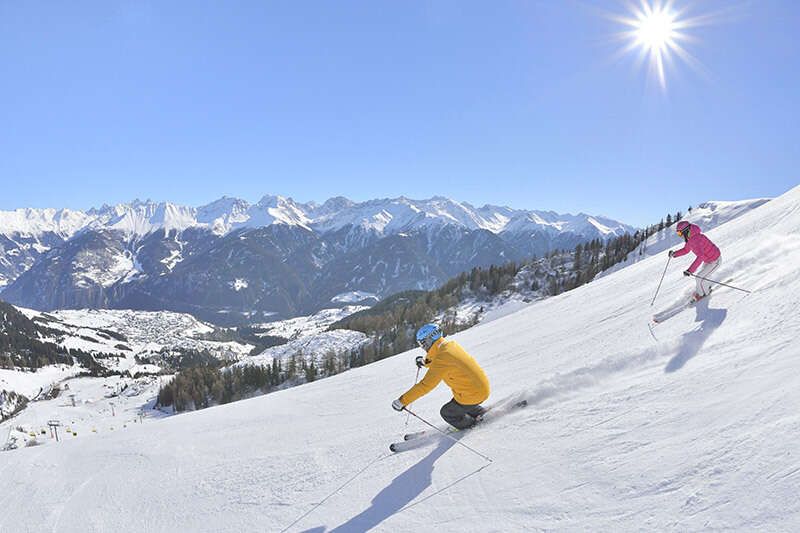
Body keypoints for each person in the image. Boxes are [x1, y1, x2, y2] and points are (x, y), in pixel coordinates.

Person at [391, 323, 490, 430]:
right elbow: (438, 361)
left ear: (429, 340)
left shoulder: (442, 358)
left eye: (423, 343)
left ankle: (470, 426)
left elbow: (425, 385)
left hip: (472, 394)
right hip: (479, 389)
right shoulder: (449, 346)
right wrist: (424, 362)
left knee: (447, 412)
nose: (423, 347)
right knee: (459, 402)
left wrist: (402, 401)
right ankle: (479, 413)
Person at [669, 220, 722, 301]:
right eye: (678, 233)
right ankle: (705, 288)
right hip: (708, 260)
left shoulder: (696, 239)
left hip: (715, 260)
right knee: (702, 277)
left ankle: (703, 294)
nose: (680, 236)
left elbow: (700, 257)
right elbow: (686, 250)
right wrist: (674, 254)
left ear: (686, 231)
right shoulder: (690, 239)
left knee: (699, 277)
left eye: (680, 233)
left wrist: (690, 270)